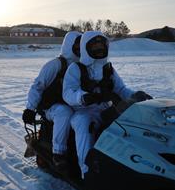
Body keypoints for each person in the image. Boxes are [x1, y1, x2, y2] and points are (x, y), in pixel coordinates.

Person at [62, 31, 151, 178]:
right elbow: (68, 92)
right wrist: (83, 98)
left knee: (126, 127)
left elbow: (121, 89)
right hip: (83, 110)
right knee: (84, 125)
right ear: (86, 47)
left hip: (106, 108)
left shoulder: (108, 68)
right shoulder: (76, 68)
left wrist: (135, 95)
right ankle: (86, 171)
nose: (99, 48)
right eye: (94, 45)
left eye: (101, 45)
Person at [23, 31, 82, 173]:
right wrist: (30, 108)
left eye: (82, 45)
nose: (80, 49)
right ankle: (58, 153)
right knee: (64, 112)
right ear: (69, 45)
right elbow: (38, 86)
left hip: (74, 104)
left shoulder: (82, 66)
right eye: (77, 45)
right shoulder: (55, 65)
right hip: (51, 107)